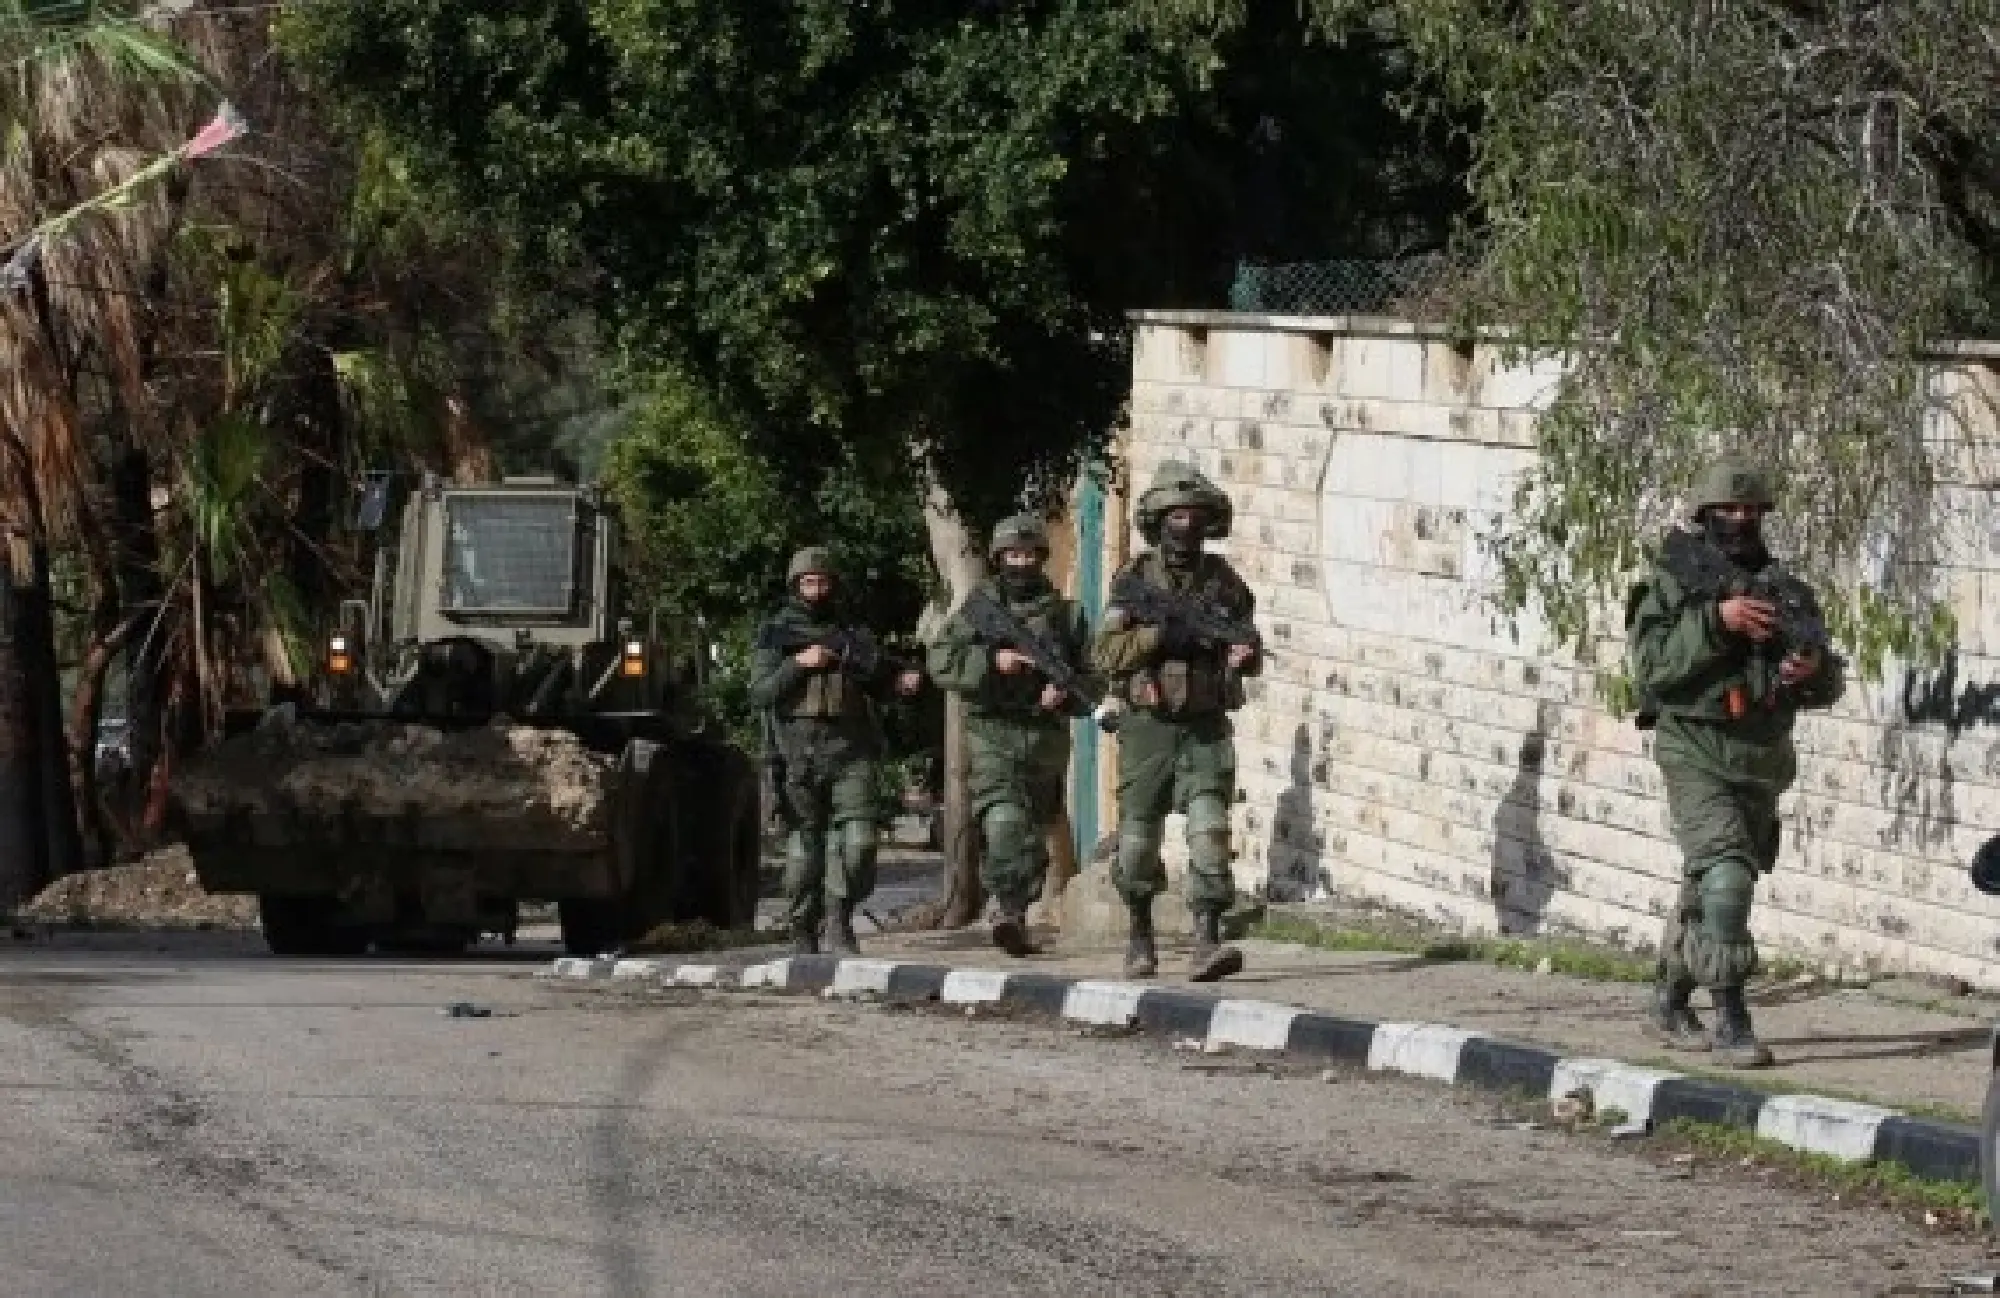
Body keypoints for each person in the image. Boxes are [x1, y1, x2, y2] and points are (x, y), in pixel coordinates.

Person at [1626, 455, 1844, 1068]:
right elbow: (1653, 668)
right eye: (1727, 509)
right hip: (1694, 746)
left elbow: (1826, 682)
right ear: (1706, 514)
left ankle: (1669, 1001)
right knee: (1727, 879)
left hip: (1759, 757)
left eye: (1750, 509)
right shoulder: (1674, 583)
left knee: (1707, 884)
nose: (1740, 518)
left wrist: (1813, 670)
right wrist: (1716, 623)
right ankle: (1730, 1017)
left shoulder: (1786, 593)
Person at [1093, 462, 1262, 981]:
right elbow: (1106, 652)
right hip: (1149, 730)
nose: (1185, 525)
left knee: (1210, 832)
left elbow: (1248, 640)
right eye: (1176, 515)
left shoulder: (1224, 583)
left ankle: (1207, 940)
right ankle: (1140, 933)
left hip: (1205, 728)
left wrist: (1241, 656)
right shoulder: (1135, 580)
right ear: (1159, 520)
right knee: (1139, 843)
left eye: (1194, 515)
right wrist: (1158, 639)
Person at [926, 515, 1094, 956]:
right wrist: (990, 661)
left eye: (1028, 555)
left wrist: (1068, 692)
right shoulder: (979, 610)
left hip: (1045, 737)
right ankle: (1009, 911)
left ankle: (1018, 902)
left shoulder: (1066, 615)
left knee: (1035, 834)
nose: (1020, 563)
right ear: (1000, 559)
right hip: (993, 732)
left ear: (1040, 557)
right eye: (1011, 556)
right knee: (1004, 821)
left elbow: (1094, 675)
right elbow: (941, 661)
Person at [750, 547, 924, 956]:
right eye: (808, 582)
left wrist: (902, 684)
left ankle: (839, 918)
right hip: (797, 754)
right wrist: (800, 664)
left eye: (823, 582)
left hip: (851, 752)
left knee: (860, 842)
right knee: (803, 851)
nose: (816, 589)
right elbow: (760, 693)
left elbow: (878, 681)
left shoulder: (852, 634)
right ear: (796, 586)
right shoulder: (776, 634)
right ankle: (801, 927)